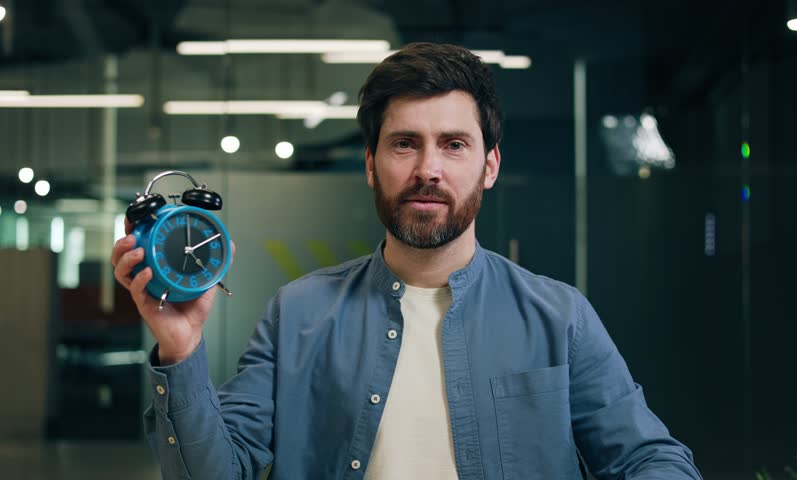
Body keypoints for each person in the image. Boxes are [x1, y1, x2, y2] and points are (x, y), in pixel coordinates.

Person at [112, 42, 702, 480]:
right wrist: (181, 349)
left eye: (453, 144)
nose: (429, 169)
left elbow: (651, 459)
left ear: (489, 166)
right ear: (371, 164)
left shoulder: (560, 317)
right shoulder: (298, 315)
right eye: (404, 143)